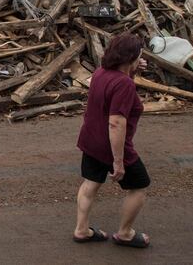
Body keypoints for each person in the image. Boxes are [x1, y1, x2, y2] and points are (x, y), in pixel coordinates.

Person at [72, 33, 151, 248]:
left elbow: (115, 91)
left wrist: (133, 71)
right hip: (112, 145)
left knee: (90, 183)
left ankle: (82, 229)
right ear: (131, 58)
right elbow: (116, 122)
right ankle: (125, 233)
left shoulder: (100, 73)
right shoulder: (124, 84)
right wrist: (118, 161)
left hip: (91, 140)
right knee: (140, 186)